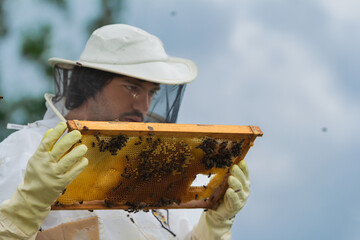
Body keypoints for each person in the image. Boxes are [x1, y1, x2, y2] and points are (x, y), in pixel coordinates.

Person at [0, 24, 250, 239]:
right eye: (132, 88)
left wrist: (214, 226)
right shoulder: (22, 152)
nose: (143, 106)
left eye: (152, 92)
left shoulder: (158, 171)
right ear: (90, 85)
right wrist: (25, 209)